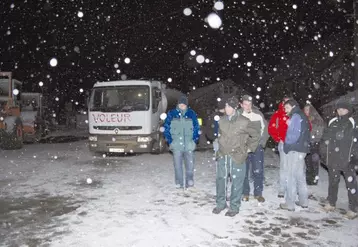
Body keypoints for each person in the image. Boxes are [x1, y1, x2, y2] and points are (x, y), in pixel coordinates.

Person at [212, 96, 260, 217]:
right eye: (226, 106)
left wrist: (248, 148)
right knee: (221, 180)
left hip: (237, 156)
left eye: (229, 106)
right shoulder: (222, 120)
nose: (226, 108)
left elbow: (255, 135)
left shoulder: (244, 121)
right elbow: (219, 135)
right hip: (223, 155)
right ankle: (220, 203)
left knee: (237, 182)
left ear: (234, 107)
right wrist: (219, 145)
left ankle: (234, 206)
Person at [320, 101, 358, 219]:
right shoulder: (332, 122)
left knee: (351, 184)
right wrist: (324, 155)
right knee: (333, 182)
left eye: (343, 109)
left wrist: (354, 158)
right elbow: (325, 139)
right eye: (339, 109)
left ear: (349, 110)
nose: (341, 111)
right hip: (333, 158)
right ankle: (331, 203)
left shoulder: (353, 123)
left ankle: (353, 209)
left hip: (348, 160)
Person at [279, 99, 311, 211]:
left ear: (292, 106)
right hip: (301, 150)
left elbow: (293, 136)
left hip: (295, 150)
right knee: (300, 176)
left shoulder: (296, 116)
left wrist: (286, 145)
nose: (285, 110)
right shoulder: (301, 115)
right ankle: (303, 201)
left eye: (287, 108)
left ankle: (290, 204)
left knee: (291, 177)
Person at [164, 95, 200, 190]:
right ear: (178, 104)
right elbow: (166, 128)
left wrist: (194, 140)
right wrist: (170, 141)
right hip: (176, 146)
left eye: (184, 104)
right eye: (180, 103)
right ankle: (179, 184)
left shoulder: (191, 114)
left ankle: (189, 184)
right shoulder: (172, 114)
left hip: (189, 145)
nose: (182, 105)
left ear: (186, 105)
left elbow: (196, 128)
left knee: (190, 167)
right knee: (178, 167)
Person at [239, 95, 269, 203]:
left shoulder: (258, 115)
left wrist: (262, 143)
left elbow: (265, 129)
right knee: (244, 171)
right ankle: (245, 193)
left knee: (258, 171)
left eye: (249, 104)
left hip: (257, 148)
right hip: (243, 147)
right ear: (241, 104)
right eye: (245, 104)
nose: (247, 107)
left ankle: (258, 193)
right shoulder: (237, 115)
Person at [268, 96, 290, 198]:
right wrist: (278, 138)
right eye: (285, 102)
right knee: (284, 167)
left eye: (288, 102)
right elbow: (271, 128)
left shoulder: (296, 114)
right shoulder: (278, 114)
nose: (286, 104)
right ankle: (282, 189)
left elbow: (306, 127)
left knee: (295, 168)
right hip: (283, 144)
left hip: (295, 145)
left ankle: (292, 188)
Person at [303, 104, 325, 185]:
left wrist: (314, 138)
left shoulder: (317, 119)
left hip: (315, 143)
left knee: (314, 162)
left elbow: (320, 131)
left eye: (308, 109)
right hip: (306, 143)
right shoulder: (304, 119)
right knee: (307, 161)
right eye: (305, 109)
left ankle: (314, 179)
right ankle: (309, 179)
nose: (306, 111)